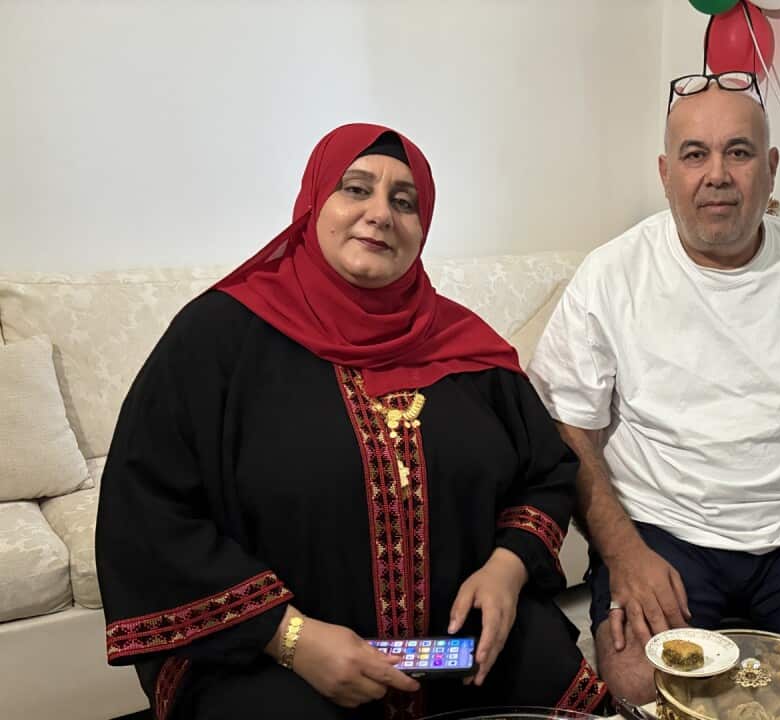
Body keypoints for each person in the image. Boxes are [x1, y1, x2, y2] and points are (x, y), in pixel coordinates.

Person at [96, 124, 608, 720]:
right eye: (355, 189)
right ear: (314, 203)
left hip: (454, 647)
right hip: (266, 653)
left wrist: (507, 568)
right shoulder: (218, 339)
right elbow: (147, 512)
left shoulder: (466, 347)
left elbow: (545, 471)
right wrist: (291, 639)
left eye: (403, 201)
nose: (379, 214)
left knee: (555, 687)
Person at [528, 73, 780, 701]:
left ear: (770, 169)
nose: (716, 173)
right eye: (695, 154)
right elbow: (569, 435)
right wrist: (627, 557)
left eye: (738, 152)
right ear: (667, 173)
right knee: (643, 680)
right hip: (660, 532)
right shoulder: (612, 275)